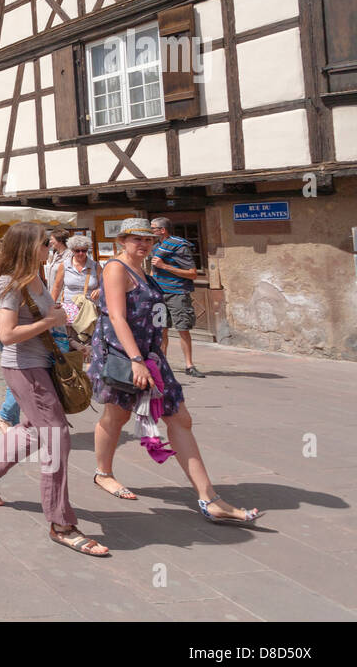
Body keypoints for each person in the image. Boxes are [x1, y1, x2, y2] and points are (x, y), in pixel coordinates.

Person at [86, 219, 261, 523]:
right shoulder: (116, 268)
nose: (143, 244)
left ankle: (210, 499)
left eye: (147, 240)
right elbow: (116, 317)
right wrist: (136, 360)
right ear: (122, 240)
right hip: (124, 355)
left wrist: (153, 354)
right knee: (117, 415)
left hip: (150, 356)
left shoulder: (145, 269)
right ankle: (103, 473)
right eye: (136, 239)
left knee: (180, 418)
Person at [0, 222, 109, 557]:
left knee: (36, 429)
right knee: (56, 436)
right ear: (28, 246)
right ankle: (60, 522)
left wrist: (71, 338)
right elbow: (6, 334)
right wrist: (49, 322)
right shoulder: (8, 282)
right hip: (24, 366)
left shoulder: (37, 276)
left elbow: (49, 317)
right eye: (45, 243)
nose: (51, 246)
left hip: (44, 362)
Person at [150, 217, 204, 378]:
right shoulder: (156, 247)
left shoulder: (180, 246)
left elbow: (192, 273)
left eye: (153, 228)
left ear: (162, 230)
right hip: (159, 293)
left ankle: (189, 365)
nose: (150, 231)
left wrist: (164, 266)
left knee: (183, 329)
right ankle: (162, 365)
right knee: (161, 331)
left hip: (177, 293)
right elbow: (154, 270)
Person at [0, 238, 22, 433]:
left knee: (15, 376)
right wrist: (2, 327)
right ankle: (5, 415)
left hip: (10, 327)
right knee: (19, 376)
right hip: (5, 329)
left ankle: (14, 425)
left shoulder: (7, 270)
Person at [52, 233, 101, 339]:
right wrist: (51, 306)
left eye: (84, 250)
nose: (80, 253)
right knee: (72, 340)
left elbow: (105, 285)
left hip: (90, 310)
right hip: (70, 309)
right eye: (77, 250)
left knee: (90, 339)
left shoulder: (95, 266)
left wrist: (99, 289)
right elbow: (57, 287)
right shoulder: (64, 265)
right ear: (72, 250)